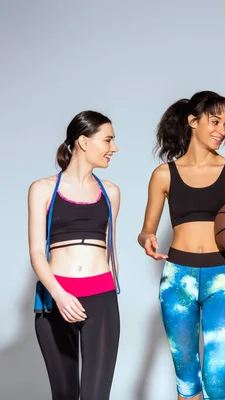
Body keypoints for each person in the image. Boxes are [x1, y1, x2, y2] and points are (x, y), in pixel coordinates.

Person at [137, 90, 225, 400]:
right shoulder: (163, 175)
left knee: (217, 377)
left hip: (222, 280)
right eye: (215, 121)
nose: (222, 131)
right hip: (177, 280)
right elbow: (145, 231)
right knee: (186, 376)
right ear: (192, 121)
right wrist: (147, 239)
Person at [28, 110, 121, 400]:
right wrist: (59, 294)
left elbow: (110, 251)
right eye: (108, 140)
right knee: (65, 395)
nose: (114, 148)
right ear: (83, 141)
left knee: (96, 396)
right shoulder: (42, 189)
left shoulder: (111, 192)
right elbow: (35, 251)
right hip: (55, 301)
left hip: (101, 301)